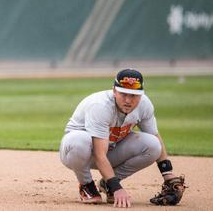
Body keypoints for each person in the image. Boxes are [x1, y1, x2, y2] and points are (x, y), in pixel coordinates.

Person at [59, 69, 185, 207]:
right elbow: (99, 154)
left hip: (111, 150)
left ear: (141, 95)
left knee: (153, 145)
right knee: (80, 141)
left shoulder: (144, 105)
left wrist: (167, 173)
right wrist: (117, 188)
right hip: (78, 153)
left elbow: (155, 135)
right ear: (114, 91)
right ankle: (86, 185)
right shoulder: (100, 106)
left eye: (133, 95)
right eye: (123, 94)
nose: (128, 100)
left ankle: (108, 184)